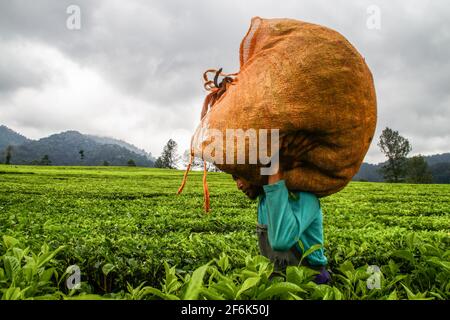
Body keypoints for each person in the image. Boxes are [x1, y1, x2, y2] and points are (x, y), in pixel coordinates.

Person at [232, 169, 331, 284]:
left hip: (310, 281)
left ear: (257, 173)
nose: (238, 185)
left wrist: (274, 170)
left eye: (240, 177)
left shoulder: (304, 198)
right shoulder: (264, 200)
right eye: (235, 179)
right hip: (278, 280)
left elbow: (281, 241)